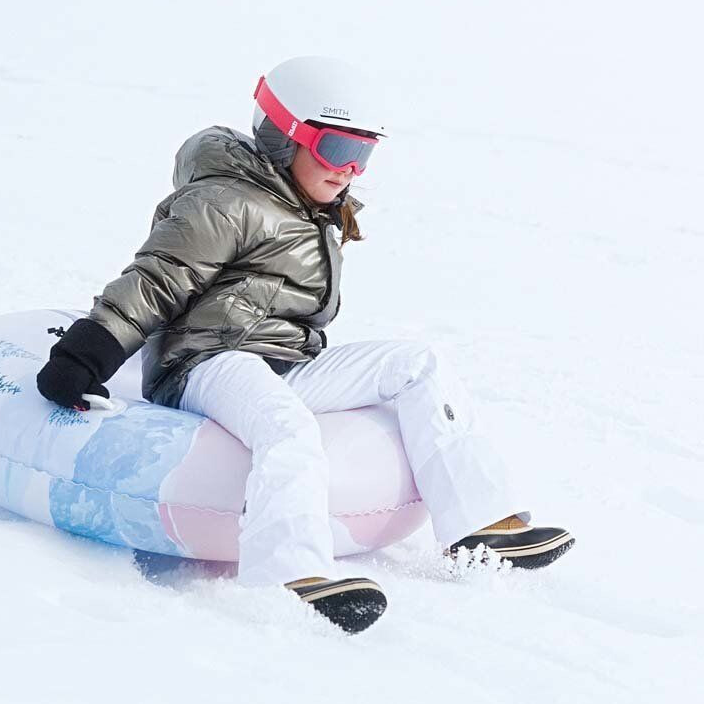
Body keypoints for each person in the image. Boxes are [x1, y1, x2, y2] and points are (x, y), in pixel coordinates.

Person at [37, 57, 574, 633]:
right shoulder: (225, 201)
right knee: (288, 426)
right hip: (205, 361)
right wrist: (84, 355)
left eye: (363, 154)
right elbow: (157, 278)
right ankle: (287, 572)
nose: (349, 171)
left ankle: (479, 528)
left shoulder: (305, 205)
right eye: (336, 149)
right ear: (283, 136)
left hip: (286, 362)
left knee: (419, 364)